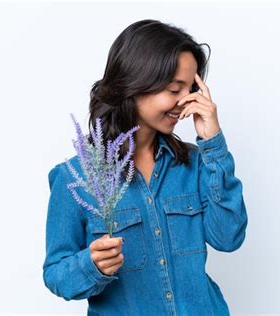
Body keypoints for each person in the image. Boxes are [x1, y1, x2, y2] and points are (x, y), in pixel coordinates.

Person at [42, 19, 248, 316]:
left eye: (190, 89)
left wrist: (212, 142)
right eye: (174, 89)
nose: (185, 101)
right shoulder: (76, 178)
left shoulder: (193, 164)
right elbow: (56, 275)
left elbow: (228, 238)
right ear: (134, 84)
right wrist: (91, 265)